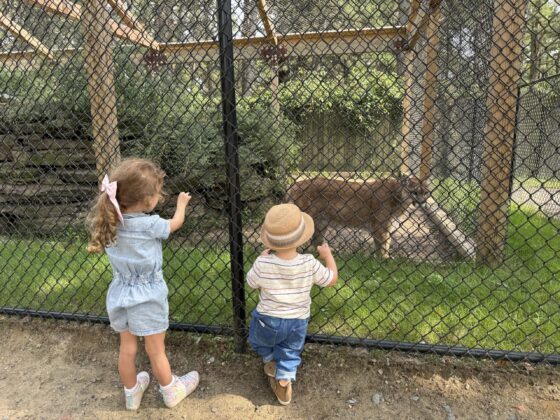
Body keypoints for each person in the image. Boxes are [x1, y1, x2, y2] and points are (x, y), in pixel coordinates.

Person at [87, 158, 199, 410]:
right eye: (158, 193)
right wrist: (181, 204)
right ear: (148, 200)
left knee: (127, 348)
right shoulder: (150, 224)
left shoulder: (111, 222)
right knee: (155, 350)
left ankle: (131, 394)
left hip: (119, 294)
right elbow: (175, 224)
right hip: (148, 295)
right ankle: (171, 390)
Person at [247, 203, 338, 405]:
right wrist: (328, 256)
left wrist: (260, 259)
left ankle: (269, 358)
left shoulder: (263, 263)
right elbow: (331, 280)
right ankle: (284, 379)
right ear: (301, 237)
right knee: (289, 351)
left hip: (267, 319)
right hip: (297, 321)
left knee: (259, 341)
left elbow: (251, 283)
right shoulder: (308, 263)